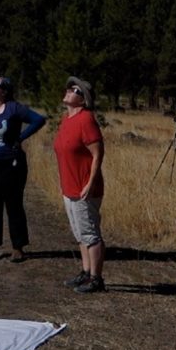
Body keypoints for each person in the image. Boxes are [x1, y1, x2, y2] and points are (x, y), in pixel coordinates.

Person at [0, 77, 46, 263]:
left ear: (4, 92)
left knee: (14, 205)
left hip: (11, 164)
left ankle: (18, 247)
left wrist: (20, 138)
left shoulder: (14, 108)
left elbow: (38, 120)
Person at [54, 76, 108, 294]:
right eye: (69, 88)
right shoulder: (66, 119)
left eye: (75, 90)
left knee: (90, 233)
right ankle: (86, 272)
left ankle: (96, 278)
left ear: (83, 99)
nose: (69, 91)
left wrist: (90, 182)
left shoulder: (86, 119)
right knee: (79, 233)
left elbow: (98, 153)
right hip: (69, 185)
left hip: (84, 187)